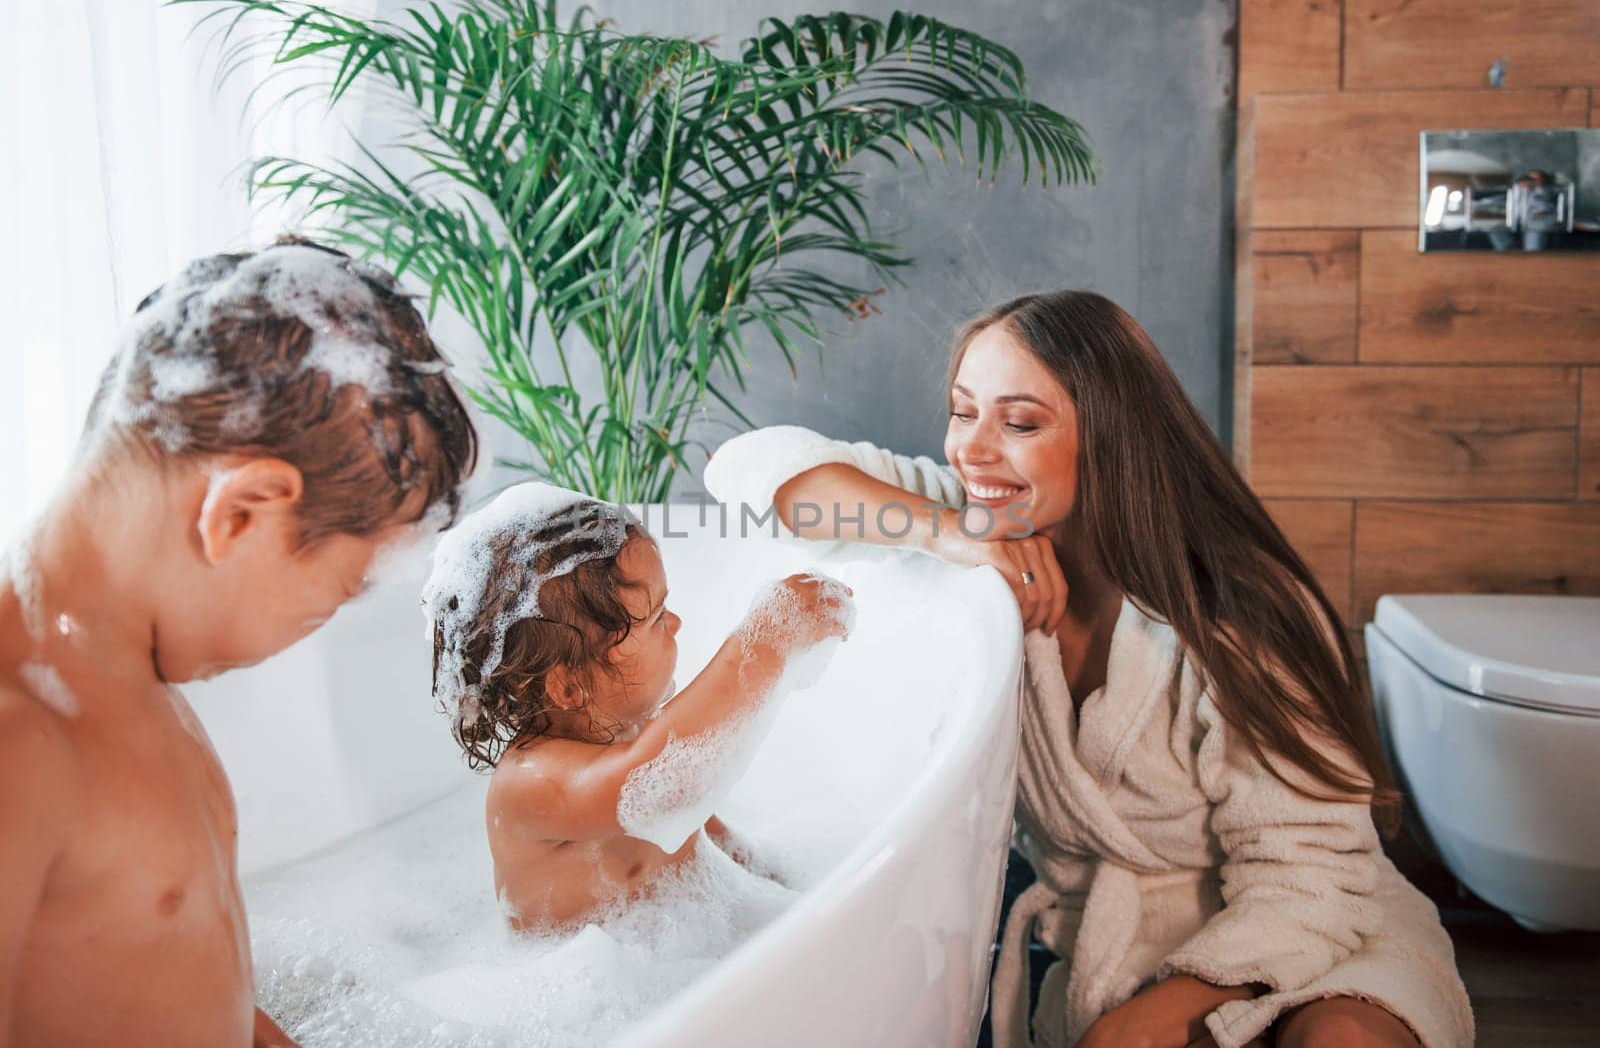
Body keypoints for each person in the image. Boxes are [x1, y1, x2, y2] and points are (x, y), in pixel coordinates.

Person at [702, 291, 1473, 1048]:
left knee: (1342, 1039)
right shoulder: (978, 515)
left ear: (1111, 438)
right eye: (963, 410)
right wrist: (950, 534)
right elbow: (748, 471)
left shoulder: (1237, 613)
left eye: (1020, 422)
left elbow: (1313, 875)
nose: (971, 449)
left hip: (1309, 927)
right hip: (1122, 952)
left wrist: (1182, 999)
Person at [0, 238, 478, 1048]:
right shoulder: (22, 742)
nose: (331, 618)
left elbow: (159, 976)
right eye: (348, 585)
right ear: (242, 512)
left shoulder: (130, 680)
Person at [423, 485, 852, 930]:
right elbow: (656, 786)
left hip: (671, 951)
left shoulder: (633, 733)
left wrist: (786, 882)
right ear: (569, 687)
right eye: (657, 617)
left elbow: (700, 822)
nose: (678, 623)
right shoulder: (530, 782)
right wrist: (767, 636)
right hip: (583, 985)